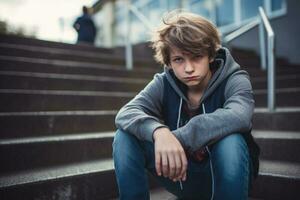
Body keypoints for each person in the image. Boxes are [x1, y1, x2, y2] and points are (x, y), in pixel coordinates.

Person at [113, 11, 260, 200]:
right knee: (124, 136)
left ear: (211, 55)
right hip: (181, 174)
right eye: (179, 60)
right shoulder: (164, 82)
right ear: (168, 62)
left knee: (231, 140)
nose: (188, 68)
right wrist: (159, 132)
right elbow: (126, 113)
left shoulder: (235, 78)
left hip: (229, 179)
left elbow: (240, 116)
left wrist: (176, 138)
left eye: (197, 57)